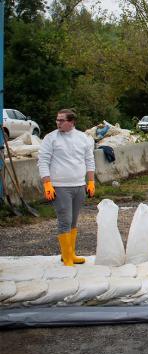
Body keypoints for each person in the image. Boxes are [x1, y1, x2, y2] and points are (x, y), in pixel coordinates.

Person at [38, 109, 96, 266]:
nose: (58, 123)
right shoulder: (51, 138)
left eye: (61, 120)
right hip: (60, 186)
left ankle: (70, 253)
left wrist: (90, 182)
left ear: (71, 122)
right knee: (65, 220)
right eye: (57, 120)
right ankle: (67, 257)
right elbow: (43, 161)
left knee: (73, 222)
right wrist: (47, 183)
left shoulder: (83, 138)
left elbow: (89, 160)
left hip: (79, 185)